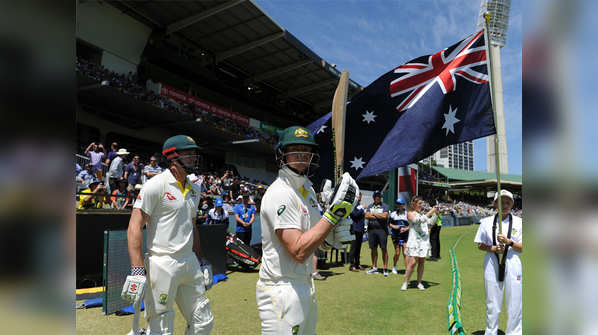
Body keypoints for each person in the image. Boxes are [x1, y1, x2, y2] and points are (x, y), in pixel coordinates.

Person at [256, 126, 358, 335]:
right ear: (282, 154)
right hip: (281, 288)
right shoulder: (280, 193)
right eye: (294, 149)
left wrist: (332, 233)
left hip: (305, 284)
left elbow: (314, 240)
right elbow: (299, 251)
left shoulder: (308, 191)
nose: (302, 155)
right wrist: (332, 216)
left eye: (306, 150)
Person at [122, 134, 214, 335]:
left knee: (203, 322)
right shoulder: (155, 186)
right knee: (161, 328)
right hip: (162, 263)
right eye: (188, 153)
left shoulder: (195, 188)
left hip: (189, 262)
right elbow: (134, 226)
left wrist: (201, 261)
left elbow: (192, 226)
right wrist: (137, 269)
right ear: (172, 157)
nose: (193, 157)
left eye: (194, 153)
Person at [474, 190, 522, 335]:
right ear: (495, 204)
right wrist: (493, 248)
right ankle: (491, 332)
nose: (505, 205)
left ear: (512, 204)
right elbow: (480, 244)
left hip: (512, 262)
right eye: (501, 202)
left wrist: (509, 242)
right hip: (492, 262)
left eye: (508, 202)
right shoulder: (486, 222)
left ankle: (514, 332)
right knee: (492, 302)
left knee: (514, 302)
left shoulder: (520, 222)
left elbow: (523, 247)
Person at [401, 196, 438, 291]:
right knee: (413, 262)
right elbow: (417, 221)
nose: (421, 205)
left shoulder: (421, 213)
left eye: (422, 203)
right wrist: (430, 212)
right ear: (414, 204)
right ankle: (405, 282)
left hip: (423, 241)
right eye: (420, 203)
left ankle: (419, 282)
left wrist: (436, 214)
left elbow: (430, 222)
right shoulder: (410, 213)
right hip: (414, 241)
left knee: (422, 262)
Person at [365, 190, 390, 276]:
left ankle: (385, 268)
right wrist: (378, 215)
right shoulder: (370, 206)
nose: (377, 198)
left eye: (379, 196)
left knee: (384, 249)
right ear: (373, 197)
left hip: (382, 230)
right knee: (373, 249)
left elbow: (384, 216)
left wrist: (373, 214)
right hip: (371, 230)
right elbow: (367, 215)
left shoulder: (385, 206)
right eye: (376, 196)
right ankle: (374, 267)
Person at [389, 198, 409, 274]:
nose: (399, 205)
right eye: (397, 204)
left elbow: (411, 225)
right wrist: (394, 227)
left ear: (403, 205)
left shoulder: (407, 214)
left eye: (400, 204)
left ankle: (407, 270)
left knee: (405, 253)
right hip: (395, 235)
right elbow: (389, 224)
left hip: (405, 236)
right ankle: (394, 266)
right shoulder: (393, 214)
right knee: (397, 252)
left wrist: (405, 229)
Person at [348, 192, 365, 272]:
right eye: (358, 196)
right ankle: (352, 265)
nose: (359, 198)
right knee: (353, 248)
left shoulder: (359, 205)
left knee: (358, 248)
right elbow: (354, 215)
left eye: (360, 196)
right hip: (354, 229)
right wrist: (362, 209)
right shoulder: (352, 205)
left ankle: (357, 264)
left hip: (361, 229)